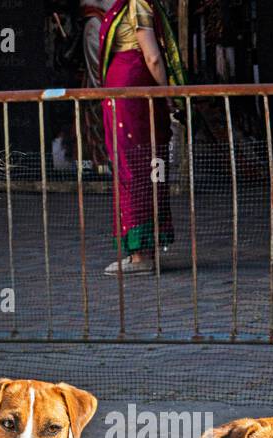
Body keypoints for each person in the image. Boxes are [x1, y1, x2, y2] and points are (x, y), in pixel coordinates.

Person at [98, 0, 176, 275]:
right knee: (142, 167)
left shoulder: (136, 4)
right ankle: (143, 251)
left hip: (130, 93)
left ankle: (141, 256)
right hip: (129, 92)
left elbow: (152, 56)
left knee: (135, 169)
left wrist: (168, 94)